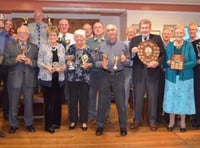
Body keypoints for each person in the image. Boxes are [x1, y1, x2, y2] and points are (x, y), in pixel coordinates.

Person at [129, 19, 165, 131]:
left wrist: (157, 62)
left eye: (146, 27)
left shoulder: (157, 38)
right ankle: (137, 120)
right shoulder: (134, 39)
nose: (144, 30)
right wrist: (132, 52)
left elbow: (163, 54)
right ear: (140, 29)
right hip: (139, 73)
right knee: (138, 98)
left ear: (150, 28)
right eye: (142, 28)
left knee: (153, 98)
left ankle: (152, 121)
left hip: (153, 73)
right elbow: (130, 57)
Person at [4, 25, 38, 134]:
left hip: (29, 79)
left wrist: (31, 62)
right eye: (20, 33)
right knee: (13, 104)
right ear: (17, 35)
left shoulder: (34, 47)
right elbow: (5, 61)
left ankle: (29, 124)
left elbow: (39, 62)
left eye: (25, 33)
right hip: (14, 79)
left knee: (29, 103)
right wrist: (15, 59)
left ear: (28, 35)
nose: (23, 35)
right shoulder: (10, 46)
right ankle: (13, 124)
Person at [95, 24, 128, 136]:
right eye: (108, 30)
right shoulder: (101, 46)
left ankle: (123, 126)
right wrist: (101, 64)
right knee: (102, 101)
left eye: (112, 30)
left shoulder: (123, 45)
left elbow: (129, 62)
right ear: (106, 32)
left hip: (119, 75)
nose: (110, 32)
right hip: (105, 75)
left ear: (116, 31)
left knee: (121, 102)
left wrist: (125, 60)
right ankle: (100, 125)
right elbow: (96, 62)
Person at [163, 25, 196, 132]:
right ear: (174, 34)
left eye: (180, 33)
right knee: (171, 99)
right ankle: (171, 122)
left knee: (183, 99)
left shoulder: (189, 45)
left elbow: (193, 61)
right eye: (176, 33)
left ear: (184, 34)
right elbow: (166, 61)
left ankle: (182, 122)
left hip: (185, 78)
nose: (178, 35)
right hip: (171, 77)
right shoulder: (170, 46)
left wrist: (182, 65)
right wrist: (168, 62)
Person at [37, 26, 66, 134]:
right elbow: (39, 62)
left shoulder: (61, 47)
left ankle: (56, 122)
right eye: (50, 35)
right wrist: (47, 67)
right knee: (49, 102)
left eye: (54, 35)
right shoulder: (43, 47)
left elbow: (64, 64)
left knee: (58, 102)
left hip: (59, 79)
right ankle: (48, 125)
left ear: (57, 36)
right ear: (48, 37)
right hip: (47, 79)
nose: (53, 37)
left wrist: (62, 68)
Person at [66, 29, 93, 131]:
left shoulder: (88, 49)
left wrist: (88, 64)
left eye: (81, 36)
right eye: (77, 37)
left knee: (84, 100)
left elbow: (92, 62)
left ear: (84, 38)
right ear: (74, 38)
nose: (79, 39)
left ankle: (84, 121)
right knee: (72, 100)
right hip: (72, 78)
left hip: (84, 78)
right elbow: (68, 59)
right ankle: (73, 120)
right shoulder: (71, 48)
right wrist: (68, 63)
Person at [87, 21, 106, 123]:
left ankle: (104, 115)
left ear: (103, 29)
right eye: (95, 28)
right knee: (91, 94)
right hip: (92, 73)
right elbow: (86, 58)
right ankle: (91, 115)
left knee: (104, 95)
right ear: (93, 30)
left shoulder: (108, 40)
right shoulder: (88, 42)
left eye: (99, 27)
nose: (98, 29)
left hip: (105, 73)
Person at [58, 19, 75, 104]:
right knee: (58, 88)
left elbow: (75, 51)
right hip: (57, 66)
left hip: (70, 65)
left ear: (68, 26)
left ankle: (70, 109)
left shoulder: (73, 36)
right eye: (62, 25)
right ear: (59, 26)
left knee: (69, 88)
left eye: (65, 24)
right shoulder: (55, 36)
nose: (64, 26)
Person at [157, 27, 172, 124]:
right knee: (159, 94)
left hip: (170, 73)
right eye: (165, 33)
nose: (166, 35)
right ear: (162, 34)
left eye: (168, 34)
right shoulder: (158, 45)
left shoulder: (173, 45)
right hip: (159, 73)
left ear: (171, 35)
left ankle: (167, 117)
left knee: (169, 95)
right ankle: (158, 116)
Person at [189, 23, 200, 128]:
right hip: (187, 72)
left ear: (196, 30)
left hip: (197, 71)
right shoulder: (186, 42)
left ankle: (198, 119)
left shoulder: (199, 43)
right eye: (190, 29)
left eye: (194, 29)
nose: (192, 31)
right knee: (190, 94)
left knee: (198, 94)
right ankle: (191, 116)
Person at [124, 25, 136, 110]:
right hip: (126, 70)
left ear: (135, 33)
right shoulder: (123, 44)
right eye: (129, 32)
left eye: (132, 32)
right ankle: (123, 112)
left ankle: (136, 114)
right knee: (125, 91)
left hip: (137, 70)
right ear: (126, 33)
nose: (131, 33)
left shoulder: (140, 43)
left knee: (137, 93)